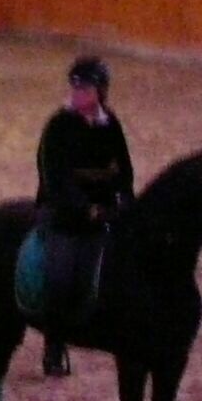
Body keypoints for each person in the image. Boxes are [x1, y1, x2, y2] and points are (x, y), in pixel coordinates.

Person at [33, 57, 135, 377]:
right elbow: (55, 178)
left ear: (100, 91)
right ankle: (54, 344)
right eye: (75, 87)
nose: (78, 93)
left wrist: (125, 200)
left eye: (85, 88)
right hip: (64, 214)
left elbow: (124, 170)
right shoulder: (58, 126)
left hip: (104, 211)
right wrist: (85, 209)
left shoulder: (110, 124)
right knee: (61, 274)